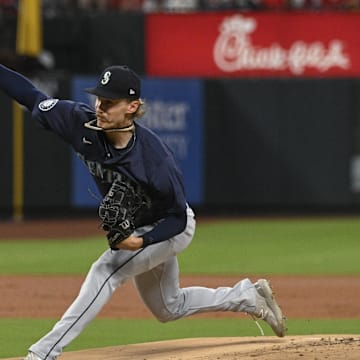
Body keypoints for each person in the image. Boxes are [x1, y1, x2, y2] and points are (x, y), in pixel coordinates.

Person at [0, 63, 286, 360]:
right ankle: (247, 295)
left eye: (109, 102)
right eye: (99, 98)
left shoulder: (154, 159)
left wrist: (141, 242)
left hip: (169, 227)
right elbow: (30, 96)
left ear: (132, 106)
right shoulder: (77, 122)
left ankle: (44, 352)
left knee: (107, 270)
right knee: (168, 307)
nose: (100, 107)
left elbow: (177, 218)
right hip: (140, 225)